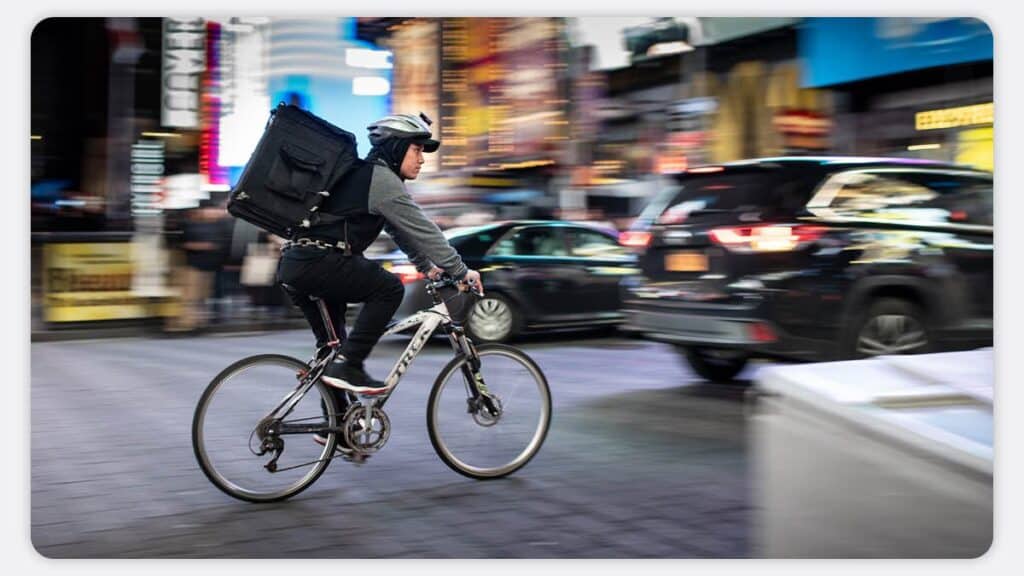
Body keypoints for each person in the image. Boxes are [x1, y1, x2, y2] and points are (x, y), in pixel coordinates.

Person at [276, 112, 483, 425]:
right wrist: (459, 270)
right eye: (416, 150)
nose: (422, 160)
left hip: (297, 263)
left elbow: (400, 230)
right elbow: (423, 228)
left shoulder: (368, 178)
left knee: (332, 348)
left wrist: (425, 266)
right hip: (318, 262)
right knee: (388, 288)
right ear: (397, 148)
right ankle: (352, 364)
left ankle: (335, 425)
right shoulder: (380, 179)